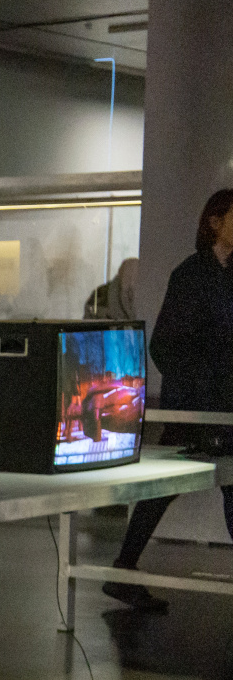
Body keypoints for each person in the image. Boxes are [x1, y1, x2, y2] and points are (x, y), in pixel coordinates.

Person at [104, 189, 233, 614]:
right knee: (166, 489)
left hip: (220, 407)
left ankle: (123, 569)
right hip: (199, 407)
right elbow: (166, 346)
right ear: (215, 221)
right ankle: (122, 569)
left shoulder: (221, 275)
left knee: (188, 489)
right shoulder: (192, 275)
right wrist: (200, 386)